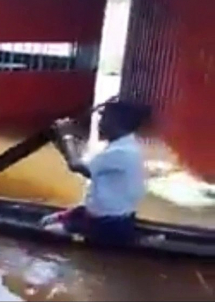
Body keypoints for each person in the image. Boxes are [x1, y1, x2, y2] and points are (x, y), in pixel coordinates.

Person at [40, 99, 152, 246]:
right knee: (46, 220)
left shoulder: (120, 151)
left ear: (117, 122)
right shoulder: (123, 146)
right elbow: (80, 165)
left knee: (49, 231)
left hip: (107, 222)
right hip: (104, 214)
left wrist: (67, 136)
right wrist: (61, 139)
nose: (99, 124)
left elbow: (75, 165)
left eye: (104, 118)